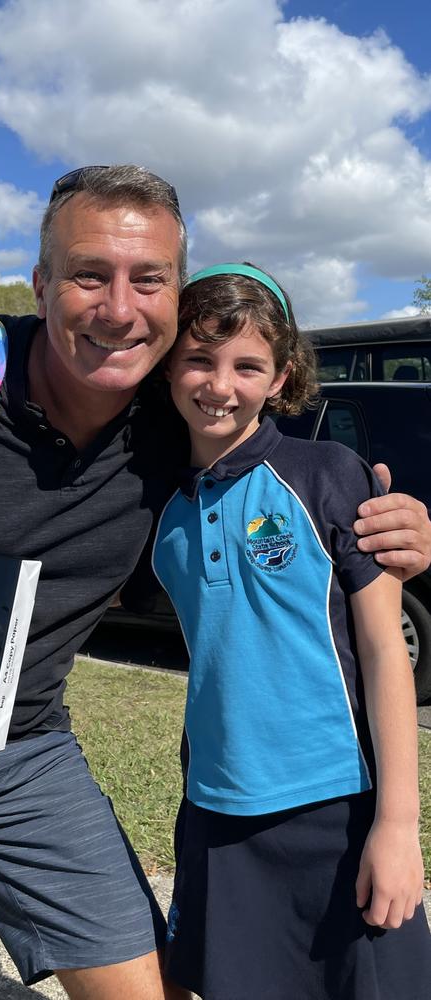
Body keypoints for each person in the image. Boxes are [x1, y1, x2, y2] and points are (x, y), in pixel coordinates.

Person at [0, 168, 428, 1000]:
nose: (119, 308)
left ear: (175, 296)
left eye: (148, 279)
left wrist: (397, 528)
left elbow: (291, 490)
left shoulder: (175, 418)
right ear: (42, 283)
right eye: (90, 274)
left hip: (23, 751)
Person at [151, 263, 431, 1000]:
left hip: (336, 805)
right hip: (214, 802)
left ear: (280, 378)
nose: (221, 384)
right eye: (199, 359)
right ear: (168, 365)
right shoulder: (157, 503)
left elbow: (382, 654)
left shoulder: (328, 473)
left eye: (248, 365)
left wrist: (399, 825)